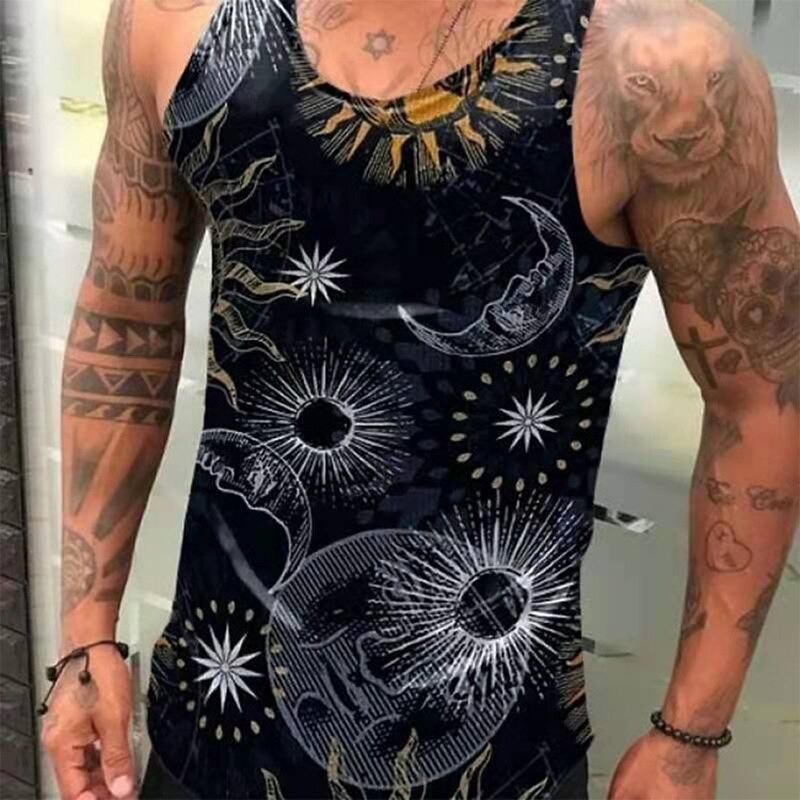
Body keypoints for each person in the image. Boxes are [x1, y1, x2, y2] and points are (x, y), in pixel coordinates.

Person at [41, 0, 798, 798]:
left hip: (493, 762)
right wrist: (86, 634)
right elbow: (128, 317)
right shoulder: (179, 19)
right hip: (211, 729)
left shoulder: (662, 71)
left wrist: (690, 734)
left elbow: (764, 398)